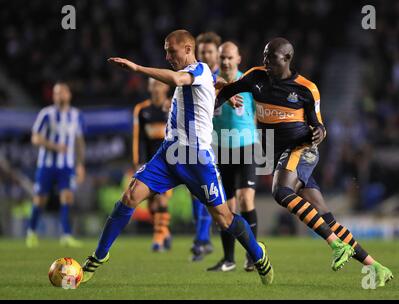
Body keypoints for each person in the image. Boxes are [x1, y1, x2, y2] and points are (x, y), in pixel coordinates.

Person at [81, 30, 274, 286]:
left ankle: (259, 255)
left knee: (224, 217)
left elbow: (176, 78)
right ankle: (97, 258)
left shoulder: (199, 70)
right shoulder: (204, 76)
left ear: (187, 49)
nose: (167, 55)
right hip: (169, 153)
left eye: (171, 51)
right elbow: (209, 81)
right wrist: (224, 88)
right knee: (130, 196)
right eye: (165, 50)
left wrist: (137, 68)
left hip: (197, 159)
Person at [216, 38, 393, 286]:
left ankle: (335, 246)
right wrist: (212, 107)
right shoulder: (256, 77)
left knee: (280, 191)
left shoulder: (306, 89)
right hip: (280, 155)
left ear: (287, 59)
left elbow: (318, 125)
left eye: (272, 57)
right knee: (326, 218)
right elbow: (226, 90)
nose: (265, 60)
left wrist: (320, 132)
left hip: (301, 149)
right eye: (265, 55)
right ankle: (376, 266)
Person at [207, 42, 259, 273]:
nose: (226, 62)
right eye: (223, 58)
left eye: (230, 57)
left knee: (246, 199)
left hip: (246, 147)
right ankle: (228, 259)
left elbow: (261, 113)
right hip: (220, 150)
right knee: (225, 207)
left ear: (238, 58)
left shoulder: (248, 83)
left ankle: (253, 255)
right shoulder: (210, 83)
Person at [26, 82, 86, 248]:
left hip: (66, 165)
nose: (59, 96)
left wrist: (80, 164)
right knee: (40, 199)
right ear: (53, 96)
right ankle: (31, 233)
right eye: (56, 93)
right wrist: (54, 146)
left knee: (67, 197)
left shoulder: (76, 115)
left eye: (62, 92)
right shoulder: (46, 114)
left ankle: (66, 235)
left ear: (69, 95)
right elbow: (35, 138)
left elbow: (79, 141)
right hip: (46, 165)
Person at [188, 31, 223, 261]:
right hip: (197, 141)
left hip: (223, 142)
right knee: (196, 195)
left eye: (209, 51)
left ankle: (201, 241)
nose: (205, 55)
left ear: (217, 54)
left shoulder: (223, 78)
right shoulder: (195, 75)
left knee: (207, 194)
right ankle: (204, 237)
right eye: (202, 52)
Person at [132, 78, 172, 252]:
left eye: (159, 84)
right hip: (149, 161)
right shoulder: (141, 110)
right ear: (149, 87)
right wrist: (137, 161)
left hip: (169, 161)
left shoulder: (172, 107)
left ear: (166, 87)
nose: (156, 88)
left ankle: (158, 239)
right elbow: (137, 138)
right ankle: (165, 232)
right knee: (151, 204)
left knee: (161, 198)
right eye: (153, 84)